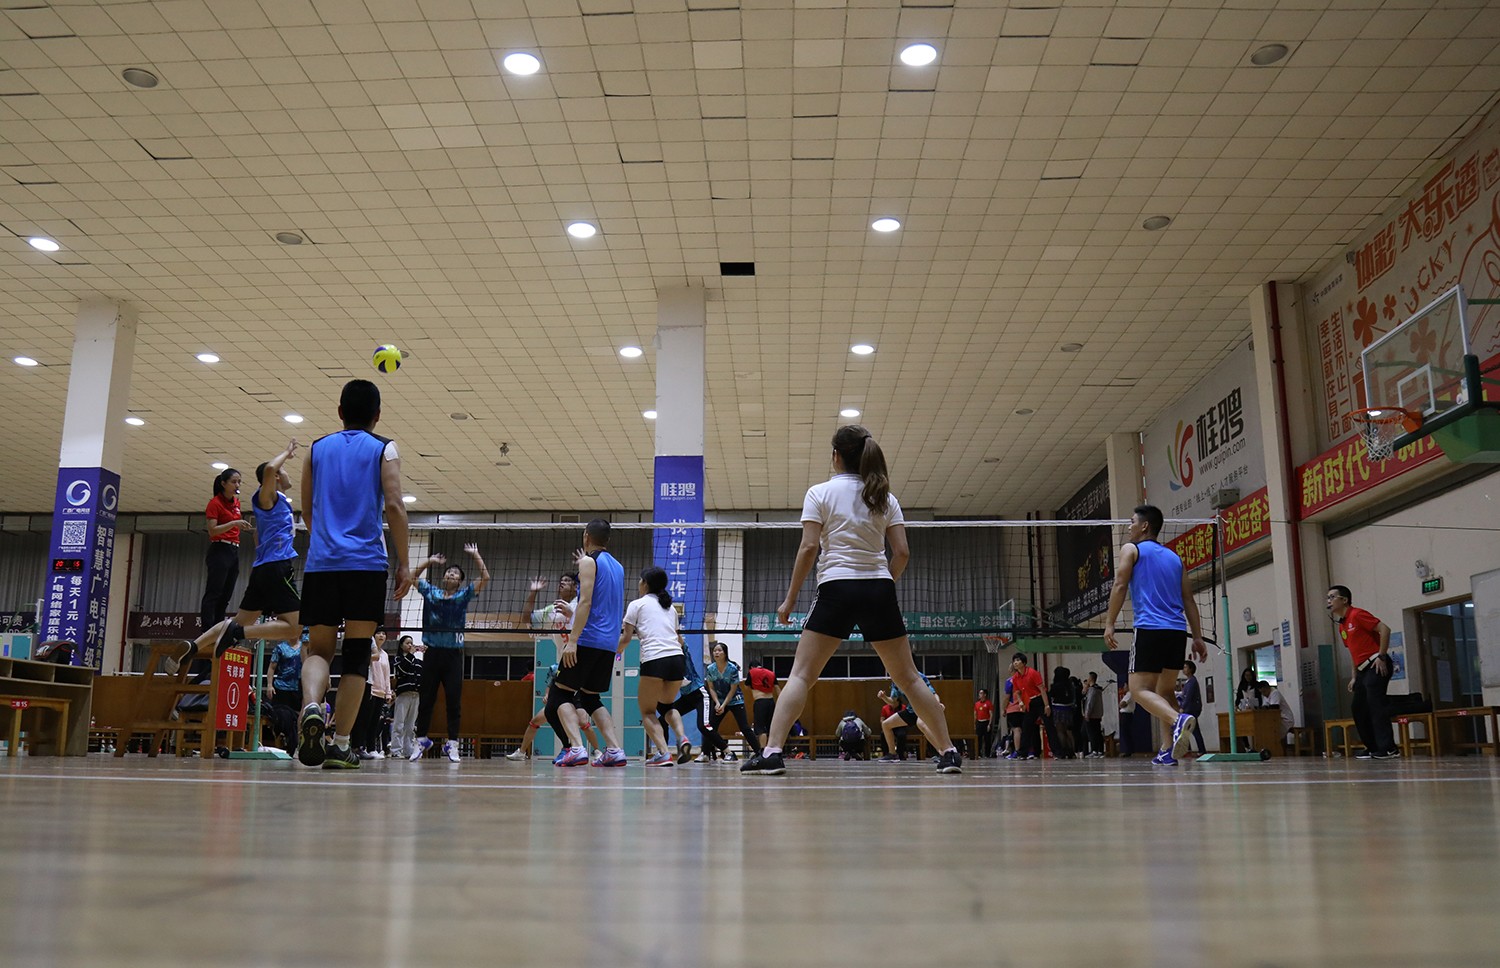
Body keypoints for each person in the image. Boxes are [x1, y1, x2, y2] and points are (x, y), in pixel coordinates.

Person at [741, 424, 962, 775]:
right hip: (878, 587)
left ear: (836, 456)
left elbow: (809, 547)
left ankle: (772, 753)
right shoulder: (885, 498)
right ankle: (948, 752)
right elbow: (902, 553)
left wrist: (789, 600)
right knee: (909, 678)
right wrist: (883, 586)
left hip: (836, 588)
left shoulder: (819, 493)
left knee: (801, 676)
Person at [295, 379, 412, 770]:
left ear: (340, 412)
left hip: (322, 564)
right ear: (377, 415)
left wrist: (327, 543)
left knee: (319, 651)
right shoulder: (384, 448)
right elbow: (394, 506)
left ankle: (312, 706)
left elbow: (306, 509)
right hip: (365, 565)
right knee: (358, 655)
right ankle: (341, 744)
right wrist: (404, 562)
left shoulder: (316, 449)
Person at [178, 441, 307, 668]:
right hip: (277, 567)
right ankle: (239, 634)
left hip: (264, 568)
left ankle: (194, 645)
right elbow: (269, 468)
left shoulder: (278, 502)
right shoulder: (267, 497)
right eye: (283, 471)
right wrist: (286, 453)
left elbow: (257, 536)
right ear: (276, 476)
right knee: (295, 628)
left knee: (237, 621)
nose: (287, 475)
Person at [1103, 504, 1208, 767]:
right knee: (1165, 690)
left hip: (1150, 629)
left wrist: (1110, 622)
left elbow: (1120, 584)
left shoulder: (1131, 549)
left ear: (1144, 526)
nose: (1129, 527)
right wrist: (1197, 636)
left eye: (1132, 521)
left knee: (1138, 690)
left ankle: (1177, 720)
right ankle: (1167, 750)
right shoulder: (1175, 558)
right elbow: (1189, 599)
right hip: (1177, 632)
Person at [545, 519, 628, 767]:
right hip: (608, 643)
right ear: (607, 539)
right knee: (591, 699)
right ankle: (614, 750)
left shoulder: (588, 561)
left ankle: (577, 748)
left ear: (586, 536)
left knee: (558, 694)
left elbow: (586, 602)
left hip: (588, 639)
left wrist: (572, 641)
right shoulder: (618, 567)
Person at [408, 544, 490, 763]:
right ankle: (421, 739)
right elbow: (411, 577)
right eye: (448, 572)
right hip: (432, 653)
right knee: (426, 700)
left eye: (455, 573)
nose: (451, 574)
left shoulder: (463, 596)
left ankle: (452, 743)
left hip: (453, 656)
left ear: (460, 581)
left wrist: (476, 554)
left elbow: (485, 577)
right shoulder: (431, 592)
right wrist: (429, 561)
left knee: (453, 701)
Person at [620, 565, 689, 767]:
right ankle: (682, 738)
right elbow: (679, 640)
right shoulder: (670, 608)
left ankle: (664, 753)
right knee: (667, 706)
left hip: (654, 659)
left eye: (640, 580)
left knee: (648, 711)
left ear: (645, 583)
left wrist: (612, 653)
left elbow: (626, 638)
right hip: (677, 659)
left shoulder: (636, 604)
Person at [506, 663, 600, 761]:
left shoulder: (579, 670)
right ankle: (521, 752)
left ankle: (597, 751)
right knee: (534, 722)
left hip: (576, 701)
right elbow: (550, 685)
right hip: (559, 701)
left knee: (584, 723)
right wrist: (547, 695)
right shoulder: (555, 671)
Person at [200, 466, 246, 636]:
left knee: (226, 594)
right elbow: (213, 530)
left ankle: (218, 630)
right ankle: (206, 630)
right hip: (220, 549)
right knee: (214, 592)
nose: (237, 485)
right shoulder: (214, 503)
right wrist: (234, 523)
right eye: (234, 482)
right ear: (223, 483)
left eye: (239, 482)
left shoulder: (236, 503)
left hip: (234, 549)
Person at [703, 641, 757, 760]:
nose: (716, 653)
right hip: (719, 700)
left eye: (719, 650)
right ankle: (705, 754)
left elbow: (733, 689)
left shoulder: (732, 668)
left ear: (725, 653)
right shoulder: (710, 668)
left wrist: (724, 705)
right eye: (714, 651)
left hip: (735, 700)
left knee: (744, 727)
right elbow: (711, 688)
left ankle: (759, 752)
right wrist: (717, 703)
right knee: (709, 727)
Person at [263, 631, 305, 753]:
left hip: (298, 687)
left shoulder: (304, 647)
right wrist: (269, 685)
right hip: (281, 687)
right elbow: (272, 667)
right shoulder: (280, 648)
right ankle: (280, 744)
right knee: (280, 717)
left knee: (299, 716)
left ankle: (296, 743)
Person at [1007, 653, 1053, 760]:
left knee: (1049, 726)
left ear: (1024, 663)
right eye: (1014, 661)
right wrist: (1021, 702)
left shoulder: (1033, 673)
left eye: (1018, 660)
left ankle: (1057, 752)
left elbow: (1042, 689)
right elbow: (1017, 692)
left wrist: (1047, 705)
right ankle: (1023, 753)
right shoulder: (1015, 677)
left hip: (1040, 699)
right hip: (1030, 702)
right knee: (1026, 726)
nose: (1015, 663)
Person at [354, 632, 391, 759]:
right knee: (365, 720)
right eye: (378, 633)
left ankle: (372, 749)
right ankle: (362, 746)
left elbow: (387, 675)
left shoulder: (385, 655)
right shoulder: (369, 651)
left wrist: (388, 692)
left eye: (384, 634)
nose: (381, 636)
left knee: (375, 722)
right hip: (371, 688)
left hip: (381, 691)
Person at [389, 635, 422, 759]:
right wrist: (411, 655)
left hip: (416, 694)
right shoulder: (398, 659)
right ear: (401, 645)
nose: (410, 645)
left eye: (411, 643)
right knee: (399, 723)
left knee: (410, 725)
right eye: (407, 643)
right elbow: (403, 670)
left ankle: (408, 750)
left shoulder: (418, 662)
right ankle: (396, 750)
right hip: (403, 694)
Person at [746, 659, 778, 750]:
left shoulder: (752, 672)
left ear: (751, 667)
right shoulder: (771, 673)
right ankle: (771, 749)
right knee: (770, 727)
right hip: (771, 701)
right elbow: (777, 688)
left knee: (760, 728)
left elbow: (747, 687)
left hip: (760, 702)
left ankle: (763, 751)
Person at [1048, 666, 1078, 759]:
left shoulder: (1055, 686)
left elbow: (1050, 696)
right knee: (1068, 731)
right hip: (1068, 709)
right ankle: (1072, 751)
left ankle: (1063, 751)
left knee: (1060, 731)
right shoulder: (1070, 685)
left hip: (1058, 709)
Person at [1178, 660, 1207, 755]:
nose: (1183, 669)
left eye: (1185, 667)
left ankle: (1200, 750)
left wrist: (1182, 707)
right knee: (1190, 729)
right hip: (1190, 708)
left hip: (1191, 709)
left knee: (1193, 730)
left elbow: (1188, 696)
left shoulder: (1192, 682)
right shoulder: (1188, 682)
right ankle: (1193, 749)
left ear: (1191, 669)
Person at [1257, 680, 1296, 746]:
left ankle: (1277, 748)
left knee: (1274, 732)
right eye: (1261, 692)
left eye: (1264, 692)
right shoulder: (1265, 696)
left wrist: (1265, 708)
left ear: (1268, 688)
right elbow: (1265, 707)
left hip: (1285, 719)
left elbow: (1274, 707)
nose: (1263, 694)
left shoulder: (1275, 693)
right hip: (1276, 719)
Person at [1081, 671, 1106, 757]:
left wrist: (1087, 713)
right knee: (1098, 732)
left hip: (1091, 715)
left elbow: (1089, 702)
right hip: (1098, 714)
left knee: (1092, 733)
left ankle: (1094, 750)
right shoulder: (1098, 689)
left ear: (1091, 678)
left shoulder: (1092, 690)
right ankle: (1100, 750)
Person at [1002, 678, 1023, 757]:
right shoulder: (1023, 679)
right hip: (1023, 707)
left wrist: (1004, 708)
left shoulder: (1010, 681)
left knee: (1016, 729)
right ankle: (1028, 751)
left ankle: (1017, 751)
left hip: (1013, 708)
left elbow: (1007, 697)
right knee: (1024, 730)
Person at [973, 688, 995, 759]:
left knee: (987, 739)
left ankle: (987, 754)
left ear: (985, 694)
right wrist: (974, 723)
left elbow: (991, 714)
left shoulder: (988, 703)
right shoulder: (976, 704)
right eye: (979, 693)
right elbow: (975, 714)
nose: (979, 695)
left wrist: (989, 724)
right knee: (978, 739)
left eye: (981, 693)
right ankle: (978, 753)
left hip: (986, 722)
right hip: (979, 722)